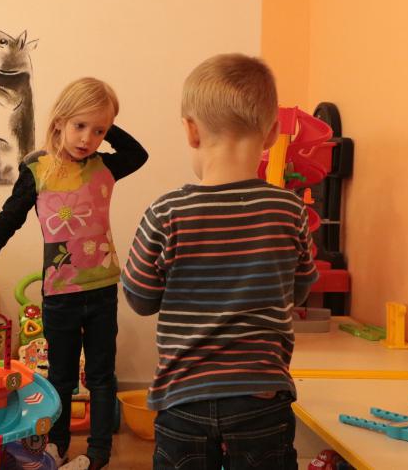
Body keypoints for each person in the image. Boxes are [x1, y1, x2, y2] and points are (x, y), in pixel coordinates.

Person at [121, 53, 319, 470]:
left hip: (183, 398)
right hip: (262, 398)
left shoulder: (166, 212)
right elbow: (297, 290)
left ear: (191, 131)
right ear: (271, 134)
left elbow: (139, 298)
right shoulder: (289, 210)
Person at [0, 77, 148, 470]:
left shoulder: (106, 167)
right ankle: (58, 444)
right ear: (60, 121)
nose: (88, 138)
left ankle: (98, 452)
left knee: (101, 376)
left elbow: (139, 153)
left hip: (101, 289)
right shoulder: (39, 170)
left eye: (98, 131)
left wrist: (106, 118)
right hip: (60, 293)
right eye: (80, 126)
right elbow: (9, 218)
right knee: (61, 378)